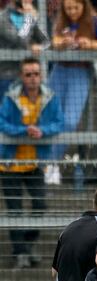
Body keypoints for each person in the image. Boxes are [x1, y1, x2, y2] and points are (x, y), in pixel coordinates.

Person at [0, 58, 63, 269]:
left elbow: (59, 122)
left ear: (41, 76)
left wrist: (42, 131)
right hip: (9, 163)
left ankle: (28, 244)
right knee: (15, 210)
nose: (33, 78)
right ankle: (20, 253)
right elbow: (2, 122)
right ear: (22, 76)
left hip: (35, 162)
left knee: (40, 205)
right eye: (28, 74)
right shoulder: (11, 98)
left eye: (36, 74)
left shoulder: (49, 97)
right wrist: (24, 131)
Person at [49, 0, 97, 184]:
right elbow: (51, 41)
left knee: (70, 121)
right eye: (68, 8)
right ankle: (48, 165)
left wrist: (90, 44)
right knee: (49, 116)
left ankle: (52, 161)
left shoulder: (95, 20)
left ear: (83, 6)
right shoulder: (61, 20)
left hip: (80, 72)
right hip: (58, 71)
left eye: (75, 8)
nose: (72, 12)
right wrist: (62, 43)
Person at [0, 0, 48, 96]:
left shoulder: (28, 18)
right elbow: (20, 40)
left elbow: (46, 41)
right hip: (7, 75)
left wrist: (40, 47)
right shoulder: (2, 18)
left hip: (29, 77)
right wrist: (30, 19)